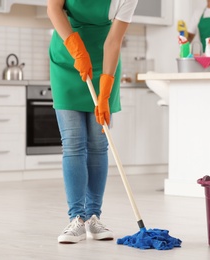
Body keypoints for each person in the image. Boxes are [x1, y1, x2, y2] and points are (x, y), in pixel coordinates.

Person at [47, 0, 138, 244]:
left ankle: (93, 217)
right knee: (73, 142)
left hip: (103, 61)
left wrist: (105, 91)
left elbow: (113, 41)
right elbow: (53, 8)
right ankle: (76, 218)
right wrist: (76, 48)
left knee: (99, 142)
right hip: (67, 57)